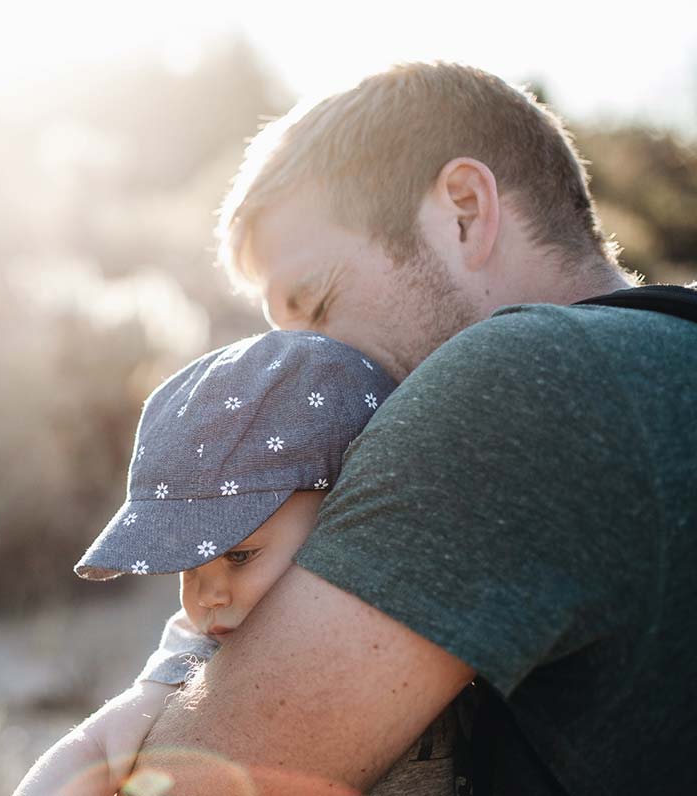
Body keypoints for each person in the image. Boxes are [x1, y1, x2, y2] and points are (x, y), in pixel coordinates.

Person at [123, 61, 697, 795]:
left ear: (463, 209)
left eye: (317, 303)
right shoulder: (664, 356)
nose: (302, 366)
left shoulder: (514, 382)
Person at [13, 330, 462, 796]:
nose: (207, 596)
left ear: (344, 513)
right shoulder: (203, 651)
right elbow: (93, 746)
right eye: (188, 566)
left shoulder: (426, 591)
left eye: (239, 555)